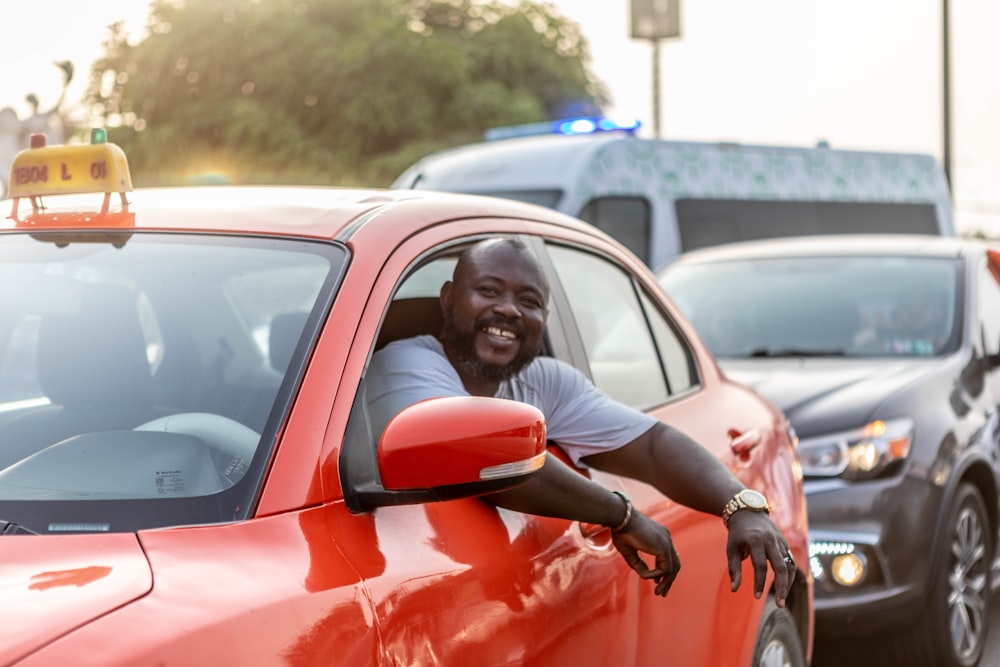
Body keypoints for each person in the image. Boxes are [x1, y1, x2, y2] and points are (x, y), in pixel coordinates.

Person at [367, 237, 797, 605]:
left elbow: (651, 448)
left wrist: (741, 506)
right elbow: (491, 457)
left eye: (529, 301)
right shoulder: (407, 362)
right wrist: (622, 515)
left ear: (544, 321)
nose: (509, 311)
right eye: (489, 290)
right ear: (447, 300)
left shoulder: (543, 381)